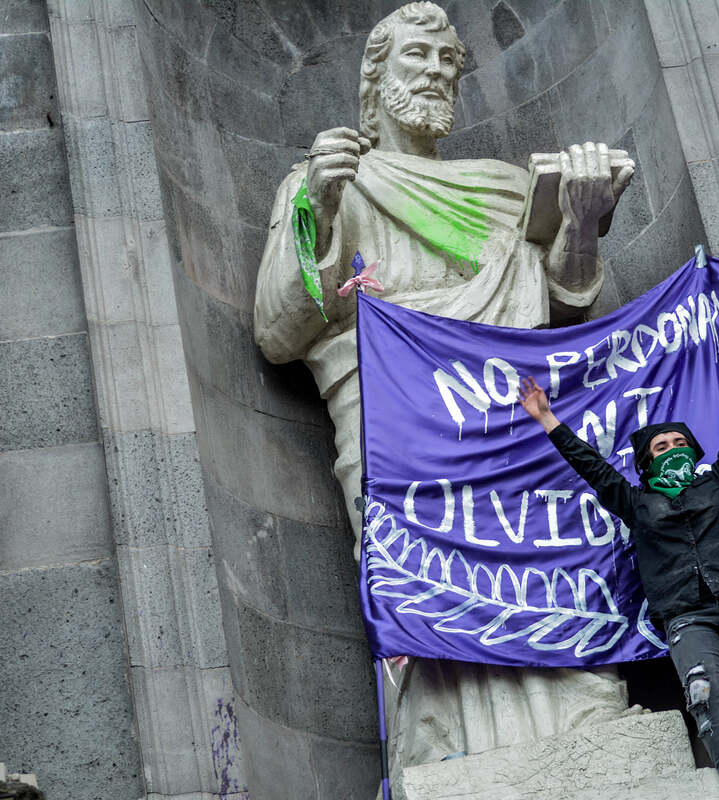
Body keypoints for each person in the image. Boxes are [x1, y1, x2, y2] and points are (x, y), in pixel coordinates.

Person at [252, 0, 641, 784]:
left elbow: (559, 308)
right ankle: (441, 752)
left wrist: (583, 226)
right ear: (376, 78)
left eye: (446, 61)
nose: (434, 73)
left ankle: (583, 724)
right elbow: (278, 329)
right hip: (398, 427)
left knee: (545, 565)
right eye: (415, 58)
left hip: (513, 424)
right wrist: (319, 214)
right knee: (428, 591)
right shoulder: (328, 181)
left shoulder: (501, 187)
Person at [518, 328, 719, 800]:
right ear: (645, 463)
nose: (671, 450)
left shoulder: (718, 482)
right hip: (687, 613)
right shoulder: (636, 501)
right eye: (660, 447)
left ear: (693, 449)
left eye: (678, 443)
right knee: (707, 694)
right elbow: (593, 468)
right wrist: (546, 418)